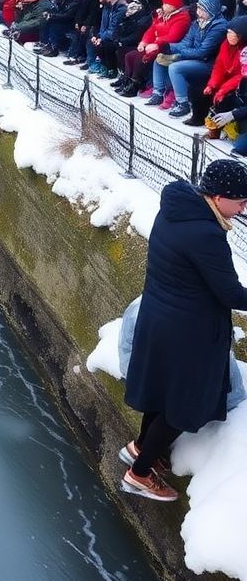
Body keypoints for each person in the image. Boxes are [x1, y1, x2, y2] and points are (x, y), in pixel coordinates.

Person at [122, 160, 247, 501]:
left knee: (161, 393)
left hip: (160, 321)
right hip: (188, 335)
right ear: (220, 197)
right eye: (241, 201)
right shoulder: (206, 234)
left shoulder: (176, 211)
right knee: (184, 406)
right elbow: (231, 294)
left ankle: (140, 448)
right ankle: (140, 473)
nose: (243, 208)